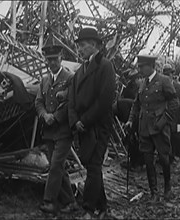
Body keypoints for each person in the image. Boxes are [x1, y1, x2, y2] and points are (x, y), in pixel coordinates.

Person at [68, 27, 116, 219]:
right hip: (83, 126)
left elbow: (105, 100)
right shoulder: (80, 70)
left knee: (94, 166)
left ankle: (89, 209)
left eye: (82, 45)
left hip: (97, 126)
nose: (79, 49)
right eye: (78, 46)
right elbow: (71, 99)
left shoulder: (105, 66)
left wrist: (84, 120)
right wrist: (74, 121)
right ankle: (102, 207)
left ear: (94, 45)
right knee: (91, 165)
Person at [125, 55, 179, 202]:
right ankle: (153, 192)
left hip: (160, 128)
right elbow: (136, 104)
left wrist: (164, 120)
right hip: (144, 129)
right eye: (139, 67)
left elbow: (175, 102)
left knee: (164, 158)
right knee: (148, 160)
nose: (140, 69)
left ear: (151, 66)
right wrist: (130, 120)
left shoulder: (164, 81)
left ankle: (167, 188)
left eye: (142, 67)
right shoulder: (142, 84)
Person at [35, 35, 77, 214]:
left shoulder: (70, 78)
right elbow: (38, 101)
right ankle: (70, 202)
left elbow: (72, 102)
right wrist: (44, 115)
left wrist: (56, 116)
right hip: (49, 130)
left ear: (61, 58)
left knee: (55, 165)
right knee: (58, 166)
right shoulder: (44, 80)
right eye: (48, 60)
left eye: (54, 59)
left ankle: (49, 202)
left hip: (64, 130)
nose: (51, 63)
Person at [163, 63, 180, 174]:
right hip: (165, 121)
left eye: (169, 74)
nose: (167, 77)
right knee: (167, 145)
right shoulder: (161, 87)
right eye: (165, 74)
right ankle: (167, 167)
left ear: (172, 75)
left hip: (177, 121)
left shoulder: (179, 87)